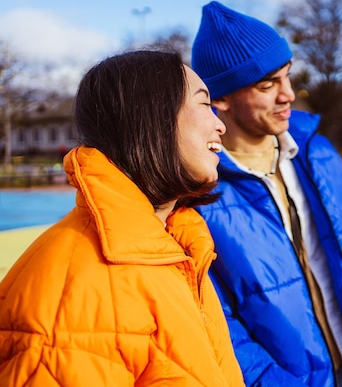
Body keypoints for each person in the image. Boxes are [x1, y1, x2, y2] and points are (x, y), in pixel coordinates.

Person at [190, 1, 342, 387]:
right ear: (221, 99)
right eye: (267, 84)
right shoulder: (201, 193)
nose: (287, 94)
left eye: (287, 76)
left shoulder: (318, 153)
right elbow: (218, 323)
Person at [0, 50, 245, 386]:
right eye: (204, 104)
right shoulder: (72, 295)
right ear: (151, 118)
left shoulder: (173, 246)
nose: (219, 123)